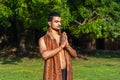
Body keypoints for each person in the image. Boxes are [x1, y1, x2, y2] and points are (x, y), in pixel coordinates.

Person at [39, 12, 77, 80]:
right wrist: (61, 47)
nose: (59, 24)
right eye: (56, 21)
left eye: (60, 22)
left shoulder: (63, 38)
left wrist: (67, 46)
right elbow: (45, 55)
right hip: (52, 74)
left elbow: (75, 55)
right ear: (49, 23)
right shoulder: (43, 39)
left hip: (66, 73)